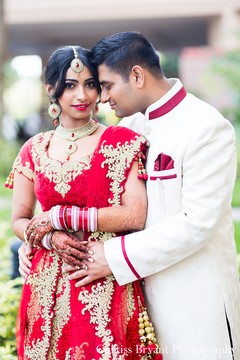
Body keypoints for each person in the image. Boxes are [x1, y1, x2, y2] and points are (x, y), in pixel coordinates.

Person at [18, 32, 240, 359]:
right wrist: (38, 238)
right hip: (129, 297)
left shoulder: (206, 128)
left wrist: (110, 255)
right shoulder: (131, 127)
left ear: (136, 75)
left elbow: (198, 224)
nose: (101, 98)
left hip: (188, 297)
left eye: (104, 85)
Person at [6, 45, 164, 360]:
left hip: (103, 274)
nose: (83, 95)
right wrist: (50, 238)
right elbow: (20, 219)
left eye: (91, 84)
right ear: (51, 89)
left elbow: (133, 215)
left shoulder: (121, 142)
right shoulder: (34, 149)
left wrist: (61, 217)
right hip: (45, 279)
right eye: (70, 85)